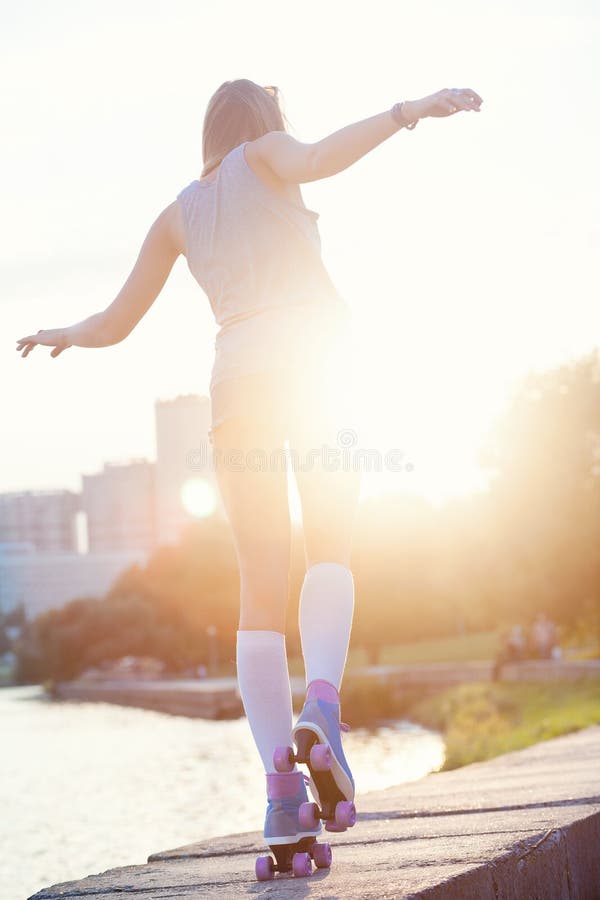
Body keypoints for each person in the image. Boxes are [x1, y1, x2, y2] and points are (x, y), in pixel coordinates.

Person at [16, 79, 483, 857]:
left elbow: (115, 320)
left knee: (257, 587)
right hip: (313, 369)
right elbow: (322, 156)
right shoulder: (265, 156)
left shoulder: (178, 211)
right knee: (330, 546)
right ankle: (322, 708)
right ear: (260, 124)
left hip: (235, 390)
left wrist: (65, 331)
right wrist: (406, 113)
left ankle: (279, 800)